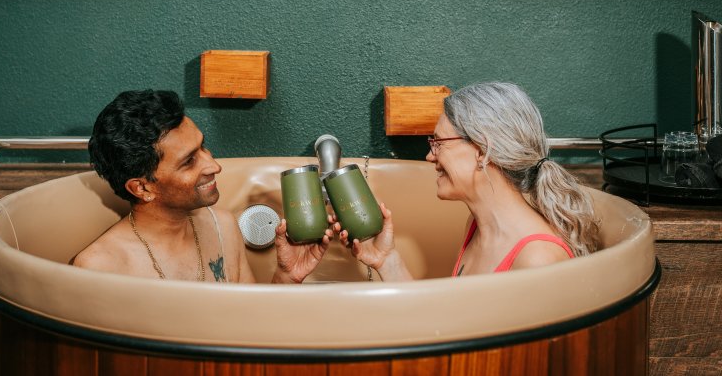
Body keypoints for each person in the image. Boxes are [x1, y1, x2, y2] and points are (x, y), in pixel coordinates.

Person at [334, 81, 601, 281]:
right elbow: (448, 328)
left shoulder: (538, 259)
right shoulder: (476, 228)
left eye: (439, 143)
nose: (430, 156)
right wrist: (386, 259)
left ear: (483, 150)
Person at [72, 89, 331, 283]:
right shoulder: (100, 267)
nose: (213, 165)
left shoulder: (222, 226)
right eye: (189, 162)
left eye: (203, 147)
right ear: (142, 188)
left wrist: (287, 276)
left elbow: (252, 326)